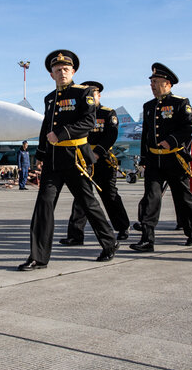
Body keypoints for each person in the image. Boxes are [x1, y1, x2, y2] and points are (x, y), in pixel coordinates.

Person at [17, 50, 118, 271]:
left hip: (76, 158)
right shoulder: (50, 98)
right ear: (51, 75)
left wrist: (62, 133)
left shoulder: (84, 93)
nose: (62, 72)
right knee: (43, 205)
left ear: (73, 71)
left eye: (65, 69)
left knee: (88, 203)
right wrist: (41, 155)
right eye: (57, 70)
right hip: (53, 160)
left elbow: (88, 122)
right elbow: (46, 128)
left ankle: (109, 243)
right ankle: (38, 257)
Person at [130, 63, 192, 253]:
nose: (152, 85)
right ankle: (147, 239)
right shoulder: (148, 106)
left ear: (168, 84)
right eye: (151, 82)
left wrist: (171, 140)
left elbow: (188, 127)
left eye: (156, 82)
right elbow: (146, 134)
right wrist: (144, 159)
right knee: (151, 198)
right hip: (154, 161)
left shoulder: (180, 103)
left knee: (183, 197)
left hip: (175, 159)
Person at [61, 81, 131, 245]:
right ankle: (75, 235)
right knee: (81, 197)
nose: (91, 98)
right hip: (83, 160)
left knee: (109, 195)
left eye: (94, 95)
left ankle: (122, 227)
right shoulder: (78, 115)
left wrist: (97, 153)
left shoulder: (107, 113)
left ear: (99, 96)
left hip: (103, 160)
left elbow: (111, 136)